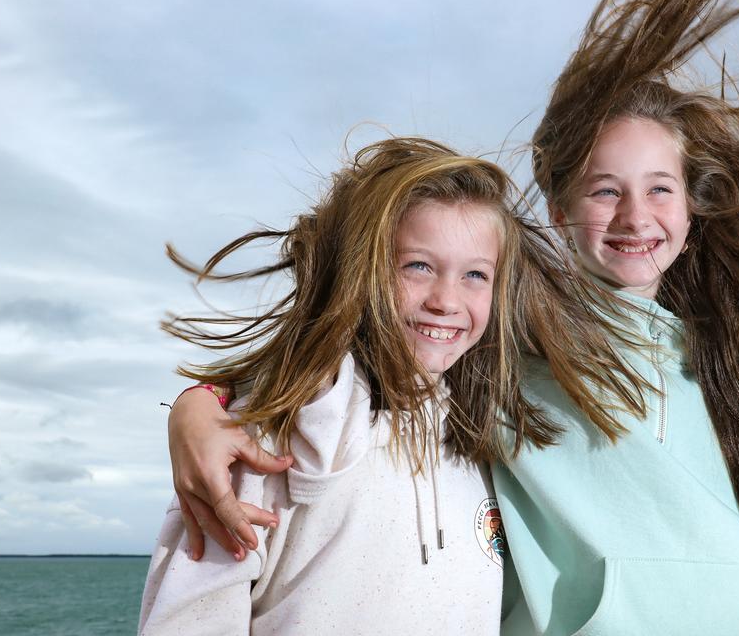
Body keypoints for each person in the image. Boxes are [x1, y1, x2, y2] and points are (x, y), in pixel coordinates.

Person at [163, 0, 739, 635]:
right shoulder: (515, 350)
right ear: (556, 208)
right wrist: (202, 405)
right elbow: (367, 343)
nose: (636, 217)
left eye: (661, 190)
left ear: (693, 207)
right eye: (605, 190)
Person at [139, 137, 644, 635]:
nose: (446, 300)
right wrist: (203, 400)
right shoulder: (266, 440)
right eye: (418, 266)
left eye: (475, 275)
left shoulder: (485, 445)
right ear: (365, 271)